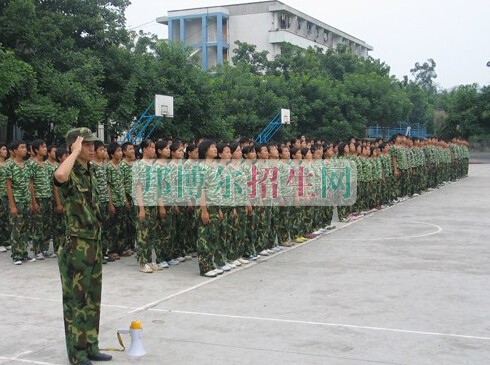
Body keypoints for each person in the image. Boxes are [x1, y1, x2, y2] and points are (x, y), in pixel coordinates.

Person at [54, 128, 112, 365]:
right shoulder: (70, 173)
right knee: (76, 301)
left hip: (94, 243)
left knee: (92, 298)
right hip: (76, 245)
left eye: (92, 145)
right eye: (86, 145)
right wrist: (74, 151)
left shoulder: (91, 172)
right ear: (75, 146)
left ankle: (90, 346)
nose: (92, 148)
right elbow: (59, 176)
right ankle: (77, 354)